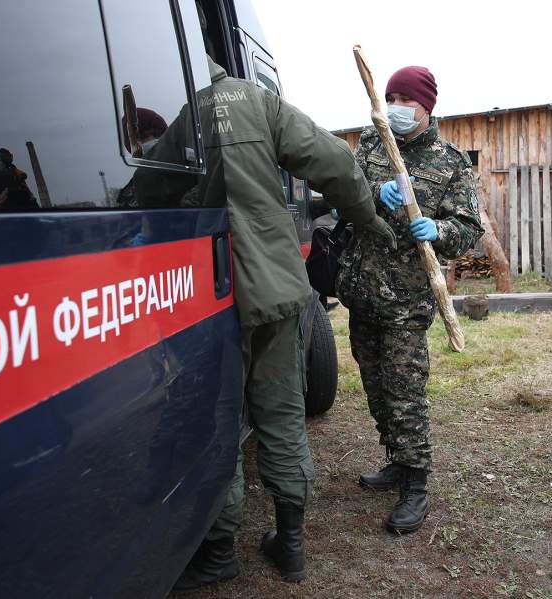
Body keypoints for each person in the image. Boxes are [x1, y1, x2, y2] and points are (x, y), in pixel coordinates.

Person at [138, 57, 396, 592]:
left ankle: (218, 553)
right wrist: (369, 217)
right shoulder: (259, 101)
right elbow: (337, 163)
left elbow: (146, 193)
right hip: (278, 289)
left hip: (213, 295)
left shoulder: (189, 118)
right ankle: (291, 544)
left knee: (220, 424)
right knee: (281, 413)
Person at [337, 66, 483, 535]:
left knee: (405, 392)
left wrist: (438, 230)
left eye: (407, 100)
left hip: (407, 300)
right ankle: (396, 461)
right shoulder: (373, 143)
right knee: (376, 388)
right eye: (391, 97)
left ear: (427, 108)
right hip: (362, 291)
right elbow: (343, 193)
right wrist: (366, 191)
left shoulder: (451, 162)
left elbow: (467, 231)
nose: (396, 107)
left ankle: (415, 484)